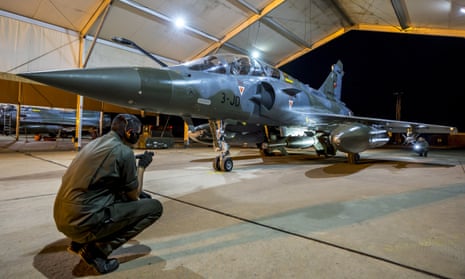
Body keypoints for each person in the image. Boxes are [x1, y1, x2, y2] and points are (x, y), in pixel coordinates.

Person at [53, 113, 163, 274]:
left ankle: (79, 243)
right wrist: (142, 167)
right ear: (129, 132)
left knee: (124, 198)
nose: (138, 135)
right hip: (83, 222)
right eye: (137, 132)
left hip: (63, 218)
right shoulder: (124, 152)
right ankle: (97, 252)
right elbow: (134, 194)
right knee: (154, 207)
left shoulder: (95, 143)